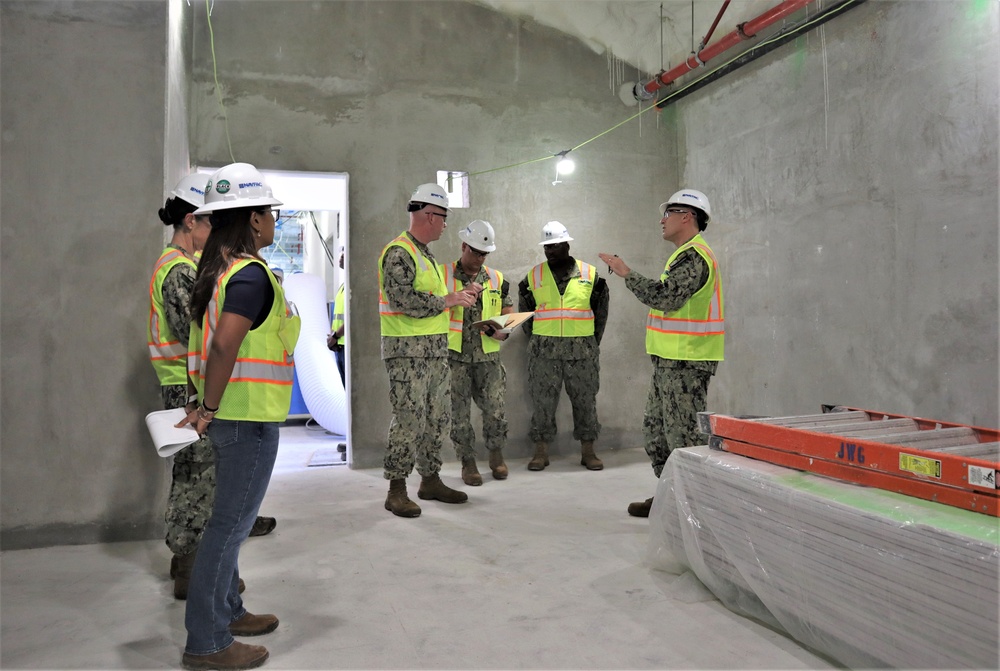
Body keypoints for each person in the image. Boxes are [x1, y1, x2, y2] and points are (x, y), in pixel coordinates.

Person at [177, 162, 300, 671]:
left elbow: (203, 347)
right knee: (228, 530)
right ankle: (206, 643)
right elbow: (225, 345)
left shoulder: (218, 271)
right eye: (270, 212)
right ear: (252, 219)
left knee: (224, 524)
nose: (274, 220)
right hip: (245, 420)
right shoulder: (249, 275)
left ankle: (229, 610)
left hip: (231, 416)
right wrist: (207, 408)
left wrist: (202, 405)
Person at [147, 173, 275, 602]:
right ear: (190, 222)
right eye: (207, 222)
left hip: (197, 385)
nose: (213, 231)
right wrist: (208, 404)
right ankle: (191, 566)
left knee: (208, 478)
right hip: (191, 388)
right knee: (197, 478)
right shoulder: (179, 270)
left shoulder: (192, 267)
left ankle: (198, 565)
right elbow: (202, 335)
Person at [599, 189, 724, 518]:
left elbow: (667, 297)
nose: (662, 219)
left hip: (686, 363)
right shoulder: (683, 254)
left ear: (688, 216)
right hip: (669, 362)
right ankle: (671, 497)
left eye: (668, 213)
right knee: (656, 434)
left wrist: (627, 273)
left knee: (682, 438)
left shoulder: (695, 256)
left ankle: (693, 511)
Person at [379, 183, 478, 518]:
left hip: (434, 353)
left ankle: (430, 480)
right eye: (444, 219)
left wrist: (460, 295)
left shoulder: (425, 255)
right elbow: (402, 300)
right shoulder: (399, 252)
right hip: (407, 354)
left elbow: (433, 301)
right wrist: (448, 300)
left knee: (436, 419)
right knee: (408, 420)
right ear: (429, 216)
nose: (445, 226)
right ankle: (396, 490)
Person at [518, 221, 609, 472]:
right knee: (542, 403)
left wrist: (590, 342)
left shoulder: (591, 276)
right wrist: (538, 340)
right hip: (543, 354)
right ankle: (541, 452)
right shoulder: (532, 277)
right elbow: (525, 316)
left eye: (555, 245)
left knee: (586, 401)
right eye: (546, 246)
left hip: (582, 353)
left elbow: (601, 314)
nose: (550, 251)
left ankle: (588, 452)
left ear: (567, 244)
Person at [445, 220, 514, 485]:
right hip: (455, 358)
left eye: (484, 253)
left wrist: (503, 330)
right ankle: (468, 462)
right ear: (463, 245)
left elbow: (507, 310)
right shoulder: (444, 275)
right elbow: (434, 308)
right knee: (459, 414)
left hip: (488, 358)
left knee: (495, 411)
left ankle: (496, 455)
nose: (479, 257)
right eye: (474, 251)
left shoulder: (496, 278)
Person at [326, 247, 347, 387]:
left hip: (347, 346)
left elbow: (353, 318)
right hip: (339, 346)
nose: (341, 256)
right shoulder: (343, 286)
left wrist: (334, 336)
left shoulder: (354, 287)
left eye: (344, 253)